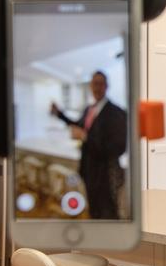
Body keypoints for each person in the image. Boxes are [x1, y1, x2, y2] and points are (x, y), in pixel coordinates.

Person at [51, 70, 127, 219]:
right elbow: (78, 126)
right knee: (94, 210)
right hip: (88, 170)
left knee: (108, 213)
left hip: (106, 174)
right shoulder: (89, 109)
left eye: (100, 84)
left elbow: (118, 148)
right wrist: (59, 114)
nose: (96, 88)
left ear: (106, 86)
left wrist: (85, 137)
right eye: (94, 84)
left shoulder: (116, 113)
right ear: (90, 86)